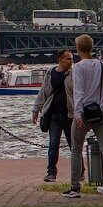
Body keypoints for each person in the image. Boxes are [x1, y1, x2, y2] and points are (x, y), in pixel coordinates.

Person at [63, 34, 103, 199]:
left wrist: (77, 113)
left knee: (76, 149)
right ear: (91, 47)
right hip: (101, 112)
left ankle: (75, 187)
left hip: (84, 113)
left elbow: (78, 92)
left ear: (78, 49)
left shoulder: (78, 67)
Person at [32, 49, 73, 182]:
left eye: (72, 59)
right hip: (54, 115)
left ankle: (80, 171)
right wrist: (35, 110)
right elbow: (43, 92)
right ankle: (51, 173)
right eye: (68, 58)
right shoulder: (51, 73)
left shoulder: (73, 74)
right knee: (53, 144)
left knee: (74, 145)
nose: (71, 61)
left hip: (70, 115)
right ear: (60, 59)